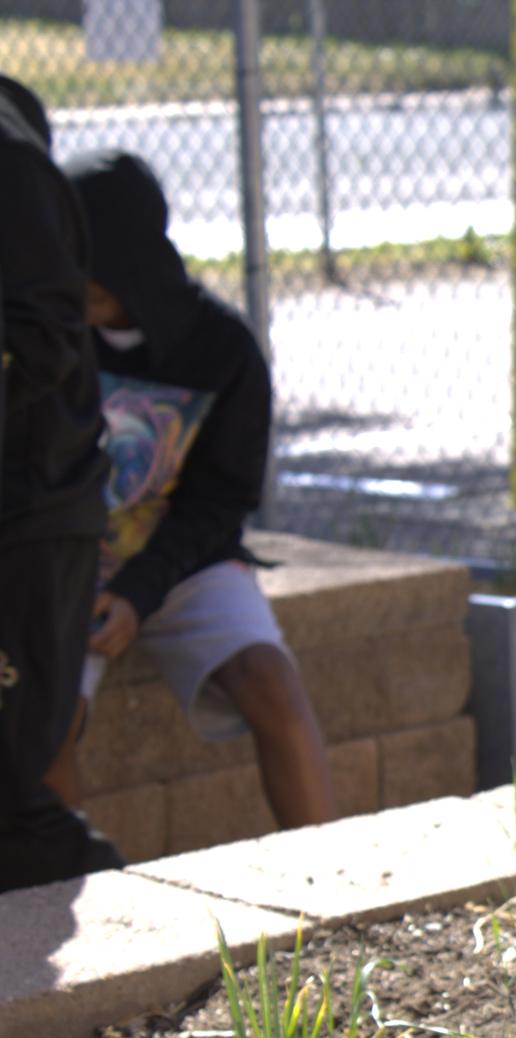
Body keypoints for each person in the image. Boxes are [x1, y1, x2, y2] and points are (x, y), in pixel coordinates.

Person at [43, 150, 336, 831]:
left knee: (272, 685)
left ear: (128, 262)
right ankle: (52, 891)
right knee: (47, 718)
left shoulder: (220, 349)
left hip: (182, 563)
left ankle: (334, 891)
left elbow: (219, 501)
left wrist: (140, 592)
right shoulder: (44, 336)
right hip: (65, 565)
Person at [0, 76, 122, 889]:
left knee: (10, 788)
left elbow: (41, 339)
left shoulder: (10, 168)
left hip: (31, 512)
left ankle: (147, 952)